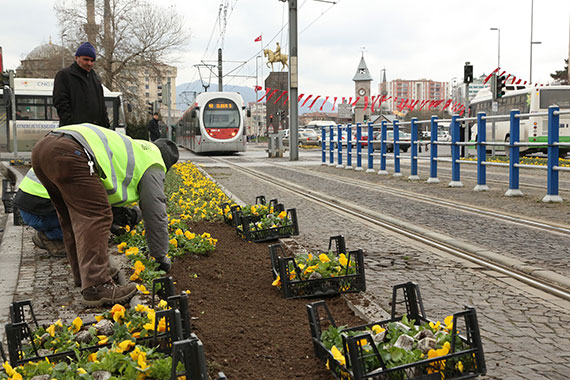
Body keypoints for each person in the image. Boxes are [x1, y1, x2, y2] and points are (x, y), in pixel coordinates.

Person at [31, 123, 179, 306]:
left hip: (43, 148)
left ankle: (83, 276)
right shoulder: (154, 162)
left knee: (70, 218)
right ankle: (96, 285)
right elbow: (155, 212)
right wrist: (159, 255)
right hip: (70, 151)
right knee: (97, 215)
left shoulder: (139, 148)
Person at [13, 169, 143, 258]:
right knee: (87, 224)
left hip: (28, 206)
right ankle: (49, 236)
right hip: (39, 211)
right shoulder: (82, 165)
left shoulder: (70, 153)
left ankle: (49, 233)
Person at [53, 42, 110, 128]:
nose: (89, 63)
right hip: (75, 130)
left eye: (92, 60)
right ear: (77, 58)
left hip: (95, 130)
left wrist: (105, 126)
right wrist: (70, 124)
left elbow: (101, 105)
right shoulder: (64, 75)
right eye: (86, 60)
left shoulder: (95, 78)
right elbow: (60, 102)